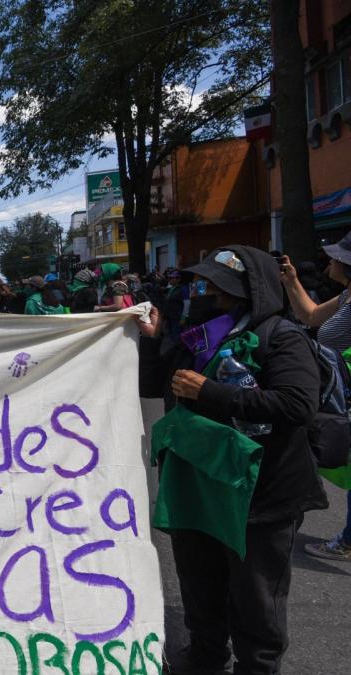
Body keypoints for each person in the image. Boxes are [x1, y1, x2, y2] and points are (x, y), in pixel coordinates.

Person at [138, 247, 326, 674]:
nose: (204, 293)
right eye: (202, 284)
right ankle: (204, 657)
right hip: (196, 490)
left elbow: (298, 405)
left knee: (256, 601)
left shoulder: (281, 336)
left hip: (259, 498)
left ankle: (256, 667)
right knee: (200, 588)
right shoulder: (197, 336)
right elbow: (154, 387)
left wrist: (211, 392)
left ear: (247, 290)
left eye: (216, 287)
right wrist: (152, 343)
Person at [281, 235, 351, 562]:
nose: (329, 263)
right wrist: (292, 282)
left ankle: (348, 542)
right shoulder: (348, 297)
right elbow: (310, 316)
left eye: (335, 258)